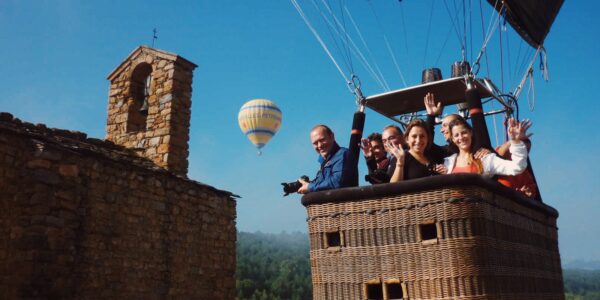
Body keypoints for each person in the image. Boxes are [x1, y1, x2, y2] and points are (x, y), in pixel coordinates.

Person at [440, 118, 530, 176]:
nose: (461, 137)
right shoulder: (448, 163)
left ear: (470, 132)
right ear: (452, 139)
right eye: (456, 135)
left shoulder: (485, 159)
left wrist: (515, 141)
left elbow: (517, 167)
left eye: (464, 133)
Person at [298, 125, 357, 194]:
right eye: (315, 143)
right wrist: (304, 185)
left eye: (322, 140)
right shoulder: (324, 162)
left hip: (345, 204)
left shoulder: (343, 154)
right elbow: (321, 184)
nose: (319, 145)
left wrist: (310, 187)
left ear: (332, 136)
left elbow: (337, 182)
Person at [495, 119, 539, 198]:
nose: (523, 148)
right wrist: (514, 139)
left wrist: (527, 192)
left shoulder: (525, 172)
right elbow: (498, 155)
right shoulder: (502, 161)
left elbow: (532, 192)